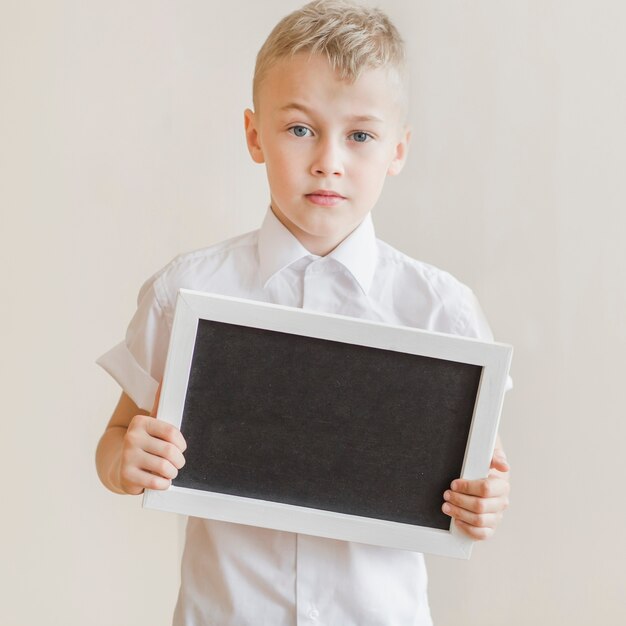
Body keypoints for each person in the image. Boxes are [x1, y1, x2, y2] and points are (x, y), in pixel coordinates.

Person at [95, 1, 511, 624]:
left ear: (398, 149)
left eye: (360, 136)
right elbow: (114, 441)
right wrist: (127, 463)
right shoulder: (189, 292)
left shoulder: (438, 311)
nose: (328, 161)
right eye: (299, 129)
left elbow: (490, 468)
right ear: (254, 134)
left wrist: (489, 500)